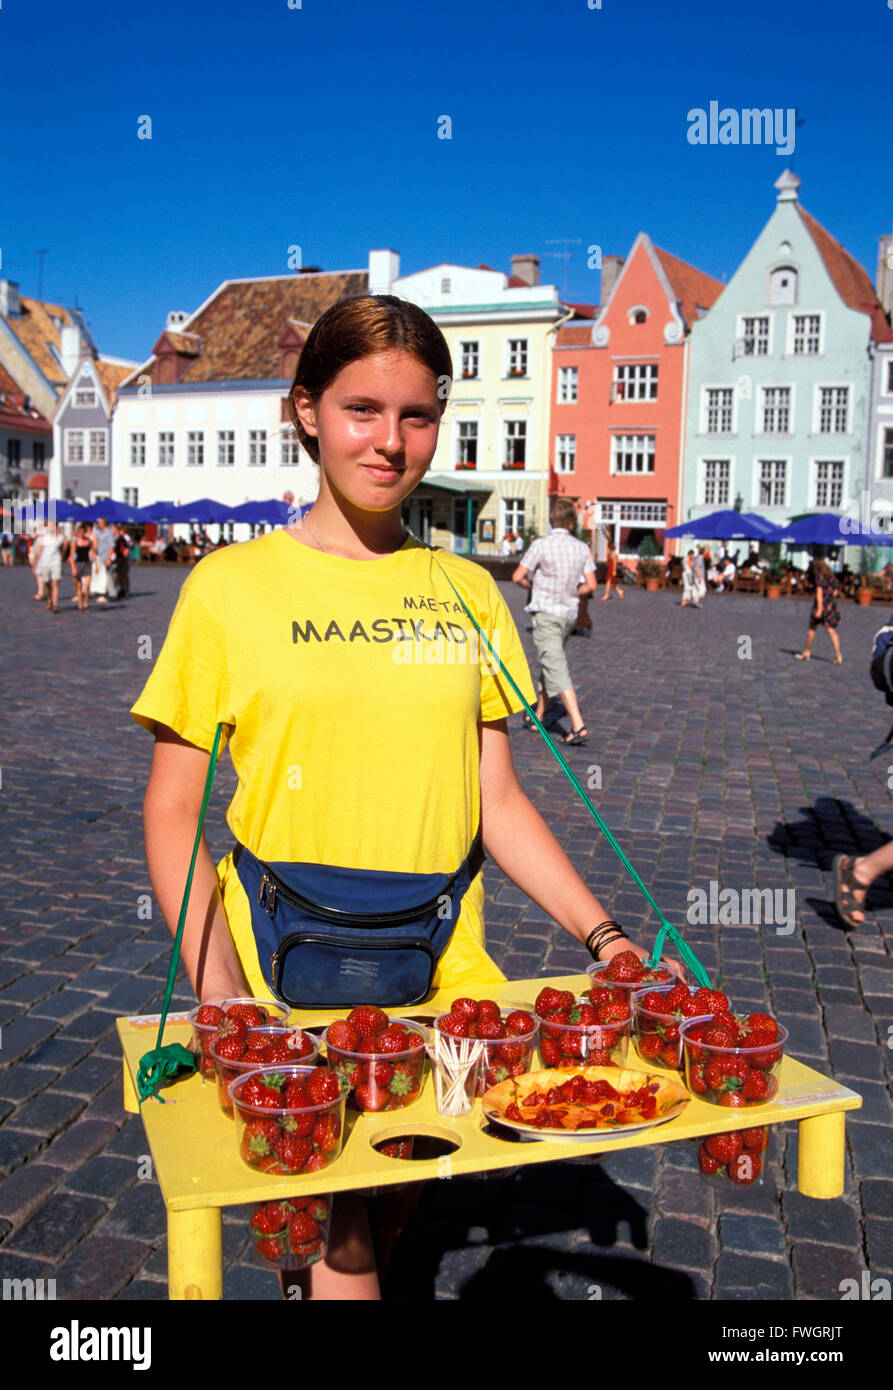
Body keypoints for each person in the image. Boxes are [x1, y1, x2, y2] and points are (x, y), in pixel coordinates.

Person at [131, 295, 678, 1302]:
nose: (389, 442)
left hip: (435, 968)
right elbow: (173, 810)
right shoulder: (227, 587)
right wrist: (222, 996)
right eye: (361, 409)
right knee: (346, 1241)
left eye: (416, 415)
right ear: (306, 411)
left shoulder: (466, 592)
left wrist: (603, 935)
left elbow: (495, 797)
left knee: (393, 1188)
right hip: (274, 966)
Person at [512, 495, 596, 745]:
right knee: (552, 661)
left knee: (555, 666)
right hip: (568, 615)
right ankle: (538, 716)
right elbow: (591, 584)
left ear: (551, 520)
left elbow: (518, 576)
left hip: (546, 614)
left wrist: (534, 587)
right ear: (571, 522)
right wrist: (571, 591)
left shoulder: (541, 545)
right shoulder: (582, 548)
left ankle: (578, 725)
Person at [795, 558, 842, 663]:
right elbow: (835, 592)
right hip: (830, 606)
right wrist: (829, 597)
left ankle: (806, 652)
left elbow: (819, 593)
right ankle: (838, 654)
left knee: (812, 629)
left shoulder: (819, 578)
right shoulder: (831, 577)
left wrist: (820, 609)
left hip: (821, 606)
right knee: (831, 631)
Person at [32, 520, 64, 613]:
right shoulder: (43, 538)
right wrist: (35, 564)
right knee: (47, 583)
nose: (50, 527)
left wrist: (62, 560)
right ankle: (49, 599)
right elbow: (39, 552)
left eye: (52, 525)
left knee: (55, 584)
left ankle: (55, 604)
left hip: (56, 563)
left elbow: (63, 549)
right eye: (49, 526)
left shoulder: (60, 537)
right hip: (45, 563)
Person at [70, 522, 96, 613]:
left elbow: (93, 552)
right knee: (79, 586)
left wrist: (95, 564)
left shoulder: (89, 541)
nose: (81, 533)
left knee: (87, 585)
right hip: (78, 564)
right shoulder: (75, 542)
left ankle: (86, 603)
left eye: (82, 531)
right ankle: (80, 605)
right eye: (79, 531)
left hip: (87, 563)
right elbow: (72, 556)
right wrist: (73, 567)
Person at [93, 517, 114, 604]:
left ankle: (105, 594)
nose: (98, 524)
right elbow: (95, 542)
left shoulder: (108, 532)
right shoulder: (98, 532)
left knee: (105, 576)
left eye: (99, 523)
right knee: (99, 575)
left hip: (105, 556)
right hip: (99, 556)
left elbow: (111, 546)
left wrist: (109, 558)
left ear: (104, 523)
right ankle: (103, 592)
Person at [601, 537, 624, 601]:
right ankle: (620, 591)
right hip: (610, 568)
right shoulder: (610, 553)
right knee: (612, 583)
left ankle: (606, 595)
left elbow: (615, 563)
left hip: (612, 569)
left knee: (608, 582)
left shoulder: (613, 553)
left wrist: (614, 571)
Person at [112, 523, 131, 599]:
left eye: (113, 528)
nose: (111, 529)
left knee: (123, 575)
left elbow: (126, 548)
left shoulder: (121, 538)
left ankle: (125, 589)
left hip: (122, 559)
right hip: (117, 559)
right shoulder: (113, 537)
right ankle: (120, 589)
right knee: (117, 574)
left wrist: (124, 557)